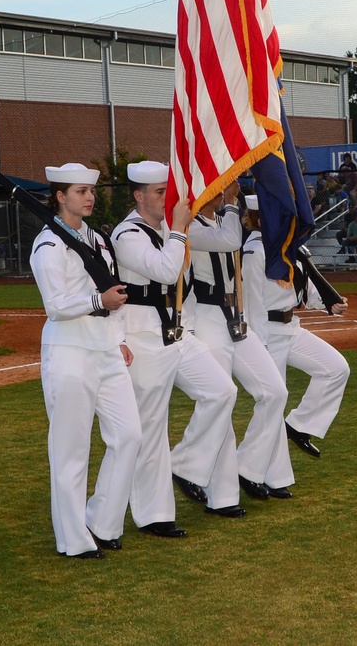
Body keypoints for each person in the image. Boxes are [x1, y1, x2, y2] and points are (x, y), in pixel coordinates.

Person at [110, 160, 235, 538]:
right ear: (139, 196)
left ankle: (184, 464)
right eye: (161, 193)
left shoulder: (169, 227)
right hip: (143, 337)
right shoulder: (125, 234)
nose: (168, 200)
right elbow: (165, 271)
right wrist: (180, 228)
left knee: (221, 392)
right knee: (151, 427)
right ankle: (153, 515)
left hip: (177, 333)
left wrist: (180, 227)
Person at [29, 162, 142, 559]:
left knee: (129, 436)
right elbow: (56, 305)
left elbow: (116, 290)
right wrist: (99, 302)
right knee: (71, 450)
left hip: (107, 350)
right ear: (60, 197)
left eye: (91, 191)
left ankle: (102, 521)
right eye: (80, 191)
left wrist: (121, 336)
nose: (89, 197)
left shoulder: (99, 239)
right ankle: (74, 540)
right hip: (70, 353)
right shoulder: (48, 244)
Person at [184, 183, 291, 510]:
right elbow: (231, 239)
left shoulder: (220, 222)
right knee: (221, 403)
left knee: (275, 391)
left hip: (234, 316)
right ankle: (221, 495)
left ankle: (248, 466)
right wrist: (232, 204)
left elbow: (231, 238)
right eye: (218, 188)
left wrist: (228, 207)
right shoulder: (189, 228)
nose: (226, 191)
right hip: (207, 316)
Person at [241, 194, 350, 462]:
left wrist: (327, 303)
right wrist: (260, 346)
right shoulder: (255, 252)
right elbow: (252, 302)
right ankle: (259, 471)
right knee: (271, 405)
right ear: (260, 218)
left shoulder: (289, 247)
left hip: (291, 328)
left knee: (336, 369)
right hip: (267, 331)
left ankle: (300, 426)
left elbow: (302, 283)